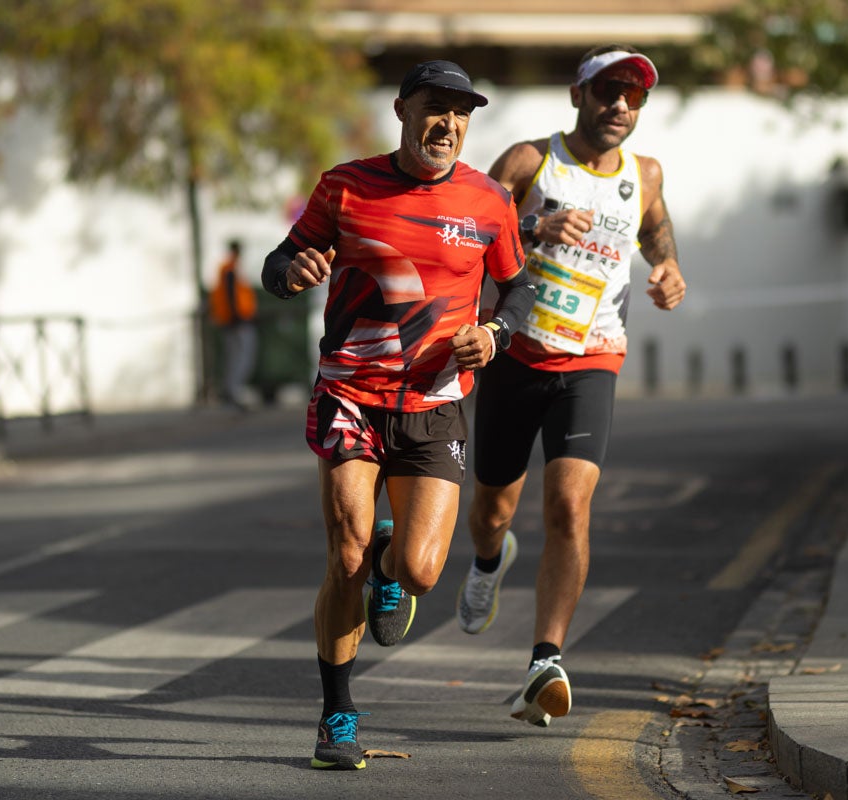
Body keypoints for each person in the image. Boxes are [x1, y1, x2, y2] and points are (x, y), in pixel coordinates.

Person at [260, 60, 536, 770]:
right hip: (350, 394)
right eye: (434, 106)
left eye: (461, 112)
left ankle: (392, 563)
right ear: (402, 110)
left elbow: (519, 290)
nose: (448, 123)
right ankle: (337, 716)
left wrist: (496, 334)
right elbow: (279, 261)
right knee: (344, 555)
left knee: (418, 572)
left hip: (434, 404)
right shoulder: (345, 186)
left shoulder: (489, 202)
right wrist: (292, 273)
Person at [456, 44, 688, 727]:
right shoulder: (530, 162)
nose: (620, 105)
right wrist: (534, 226)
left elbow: (656, 230)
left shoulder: (645, 173)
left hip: (593, 358)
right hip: (514, 353)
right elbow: (465, 236)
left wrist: (669, 268)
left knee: (569, 506)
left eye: (633, 95)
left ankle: (545, 661)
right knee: (491, 511)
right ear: (577, 94)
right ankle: (489, 560)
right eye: (608, 90)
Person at [207, 239, 258, 409]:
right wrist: (236, 317)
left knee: (233, 356)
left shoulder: (229, 267)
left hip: (232, 319)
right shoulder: (230, 268)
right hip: (237, 320)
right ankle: (234, 391)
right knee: (241, 356)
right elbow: (231, 295)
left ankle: (231, 390)